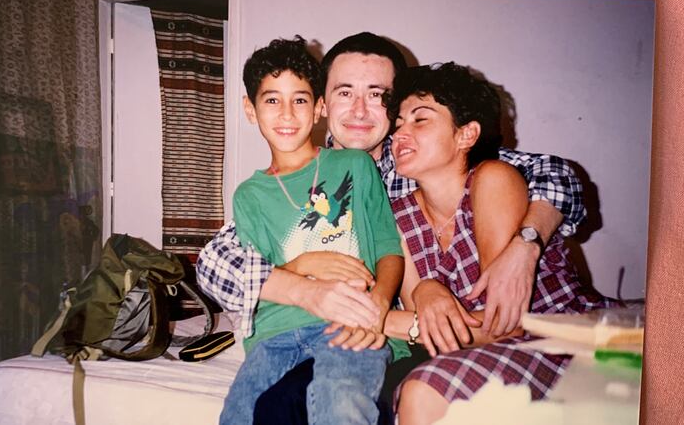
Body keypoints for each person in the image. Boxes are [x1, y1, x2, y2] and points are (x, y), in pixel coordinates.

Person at [196, 32, 589, 421]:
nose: (360, 110)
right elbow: (216, 262)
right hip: (350, 327)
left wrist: (527, 242)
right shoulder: (297, 178)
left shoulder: (429, 157)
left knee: (340, 397)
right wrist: (299, 277)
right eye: (345, 92)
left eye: (378, 95)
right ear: (324, 104)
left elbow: (558, 175)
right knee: (273, 405)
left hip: (397, 336)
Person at [385, 62, 614, 425]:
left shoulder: (493, 179)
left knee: (423, 389)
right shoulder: (398, 213)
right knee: (418, 386)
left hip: (559, 338)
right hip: (494, 348)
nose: (399, 134)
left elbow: (502, 325)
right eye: (398, 123)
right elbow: (427, 329)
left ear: (466, 135)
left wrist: (376, 319)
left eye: (420, 119)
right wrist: (425, 293)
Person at [218, 36, 406, 425]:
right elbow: (258, 280)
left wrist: (380, 305)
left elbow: (389, 246)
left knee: (342, 402)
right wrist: (303, 265)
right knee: (238, 414)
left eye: (299, 99)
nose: (286, 113)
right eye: (272, 100)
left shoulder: (354, 165)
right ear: (249, 110)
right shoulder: (248, 196)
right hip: (275, 332)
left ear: (319, 107)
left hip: (350, 322)